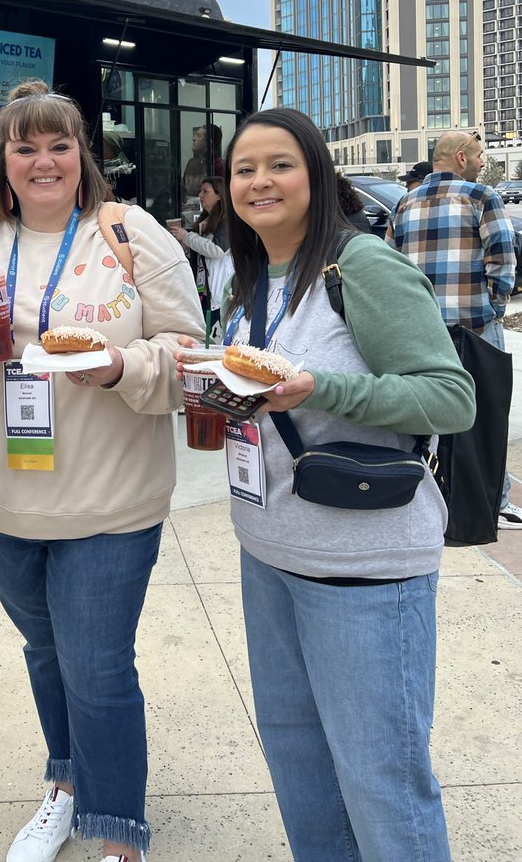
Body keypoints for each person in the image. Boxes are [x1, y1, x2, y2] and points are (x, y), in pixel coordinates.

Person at [0, 80, 204, 862]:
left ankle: (117, 830)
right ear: (2, 162)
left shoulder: (131, 234)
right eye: (25, 148)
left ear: (83, 156)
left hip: (111, 498)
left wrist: (120, 365)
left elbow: (188, 350)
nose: (43, 161)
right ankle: (67, 783)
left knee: (98, 668)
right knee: (45, 653)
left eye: (59, 145)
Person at [185, 107, 474, 862]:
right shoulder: (250, 275)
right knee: (299, 759)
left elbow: (451, 397)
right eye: (244, 169)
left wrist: (321, 389)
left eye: (279, 164)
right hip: (269, 551)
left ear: (316, 172)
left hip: (363, 568)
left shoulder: (361, 266)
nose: (260, 181)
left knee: (382, 781)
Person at [387, 129, 522, 529]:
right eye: (479, 155)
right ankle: (492, 504)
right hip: (474, 327)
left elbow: (390, 266)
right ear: (461, 157)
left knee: (425, 416)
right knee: (485, 418)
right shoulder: (482, 197)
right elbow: (502, 260)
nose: (482, 162)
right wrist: (494, 308)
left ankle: (428, 498)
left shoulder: (405, 203)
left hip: (420, 330)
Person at [168, 175, 229, 329]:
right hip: (203, 290)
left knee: (215, 335)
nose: (200, 195)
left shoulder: (227, 221)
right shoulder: (204, 221)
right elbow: (201, 253)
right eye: (200, 191)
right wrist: (185, 246)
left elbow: (217, 250)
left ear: (219, 195)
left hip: (220, 293)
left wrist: (187, 236)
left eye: (205, 191)